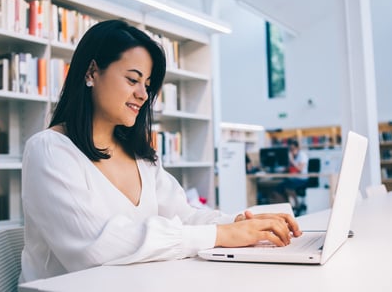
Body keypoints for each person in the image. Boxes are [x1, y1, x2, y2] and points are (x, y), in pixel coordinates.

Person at [19, 20, 301, 283]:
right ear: (92, 72)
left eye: (148, 85)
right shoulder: (49, 150)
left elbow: (184, 216)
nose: (143, 95)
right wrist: (220, 234)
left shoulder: (140, 156)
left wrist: (241, 222)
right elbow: (98, 248)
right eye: (132, 80)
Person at [275, 139, 309, 215]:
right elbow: (289, 168)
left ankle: (297, 206)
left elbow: (300, 169)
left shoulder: (302, 155)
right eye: (290, 149)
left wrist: (292, 160)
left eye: (293, 149)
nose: (291, 151)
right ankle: (287, 207)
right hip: (293, 178)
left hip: (302, 179)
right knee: (278, 189)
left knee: (287, 187)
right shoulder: (294, 156)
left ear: (297, 148)